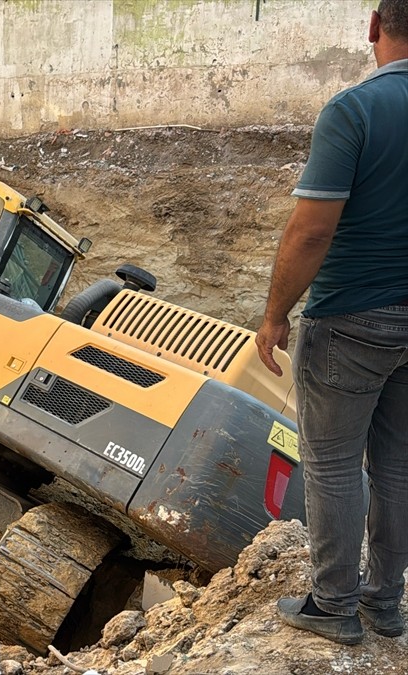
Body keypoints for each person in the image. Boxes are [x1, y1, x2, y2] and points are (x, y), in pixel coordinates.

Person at [256, 0, 408, 646]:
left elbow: (311, 230)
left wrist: (273, 316)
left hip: (348, 319)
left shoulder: (353, 111)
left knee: (335, 462)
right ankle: (388, 603)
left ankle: (335, 604)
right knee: (399, 463)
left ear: (374, 25)